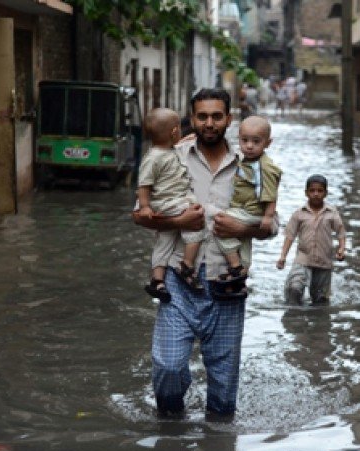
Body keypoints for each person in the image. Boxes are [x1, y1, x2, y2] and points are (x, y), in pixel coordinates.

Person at [132, 88, 277, 418]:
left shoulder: (251, 163)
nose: (209, 123)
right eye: (202, 116)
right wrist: (177, 220)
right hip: (178, 281)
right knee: (168, 369)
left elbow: (272, 224)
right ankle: (171, 438)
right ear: (191, 119)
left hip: (226, 285)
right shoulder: (171, 156)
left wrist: (242, 230)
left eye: (216, 116)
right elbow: (139, 214)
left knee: (224, 394)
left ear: (228, 119)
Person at [136, 108, 205, 302]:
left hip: (169, 203)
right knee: (197, 221)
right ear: (174, 132)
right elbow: (144, 185)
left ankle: (157, 281)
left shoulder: (167, 151)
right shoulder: (153, 158)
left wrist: (185, 141)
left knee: (164, 242)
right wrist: (145, 206)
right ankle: (187, 265)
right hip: (171, 202)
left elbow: (177, 148)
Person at [214, 115, 282, 299]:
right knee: (244, 244)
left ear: (268, 143)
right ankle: (240, 281)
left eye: (256, 141)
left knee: (219, 223)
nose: (249, 146)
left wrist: (268, 216)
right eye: (244, 141)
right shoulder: (247, 160)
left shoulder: (265, 166)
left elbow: (270, 192)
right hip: (247, 211)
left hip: (251, 212)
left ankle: (235, 267)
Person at [276, 174, 346, 305]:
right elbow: (289, 236)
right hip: (303, 258)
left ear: (326, 193)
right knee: (294, 288)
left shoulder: (332, 213)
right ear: (306, 193)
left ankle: (318, 322)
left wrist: (342, 249)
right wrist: (283, 256)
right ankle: (295, 317)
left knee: (320, 299)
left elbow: (340, 232)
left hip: (324, 260)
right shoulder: (299, 214)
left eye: (320, 191)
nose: (316, 194)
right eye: (312, 190)